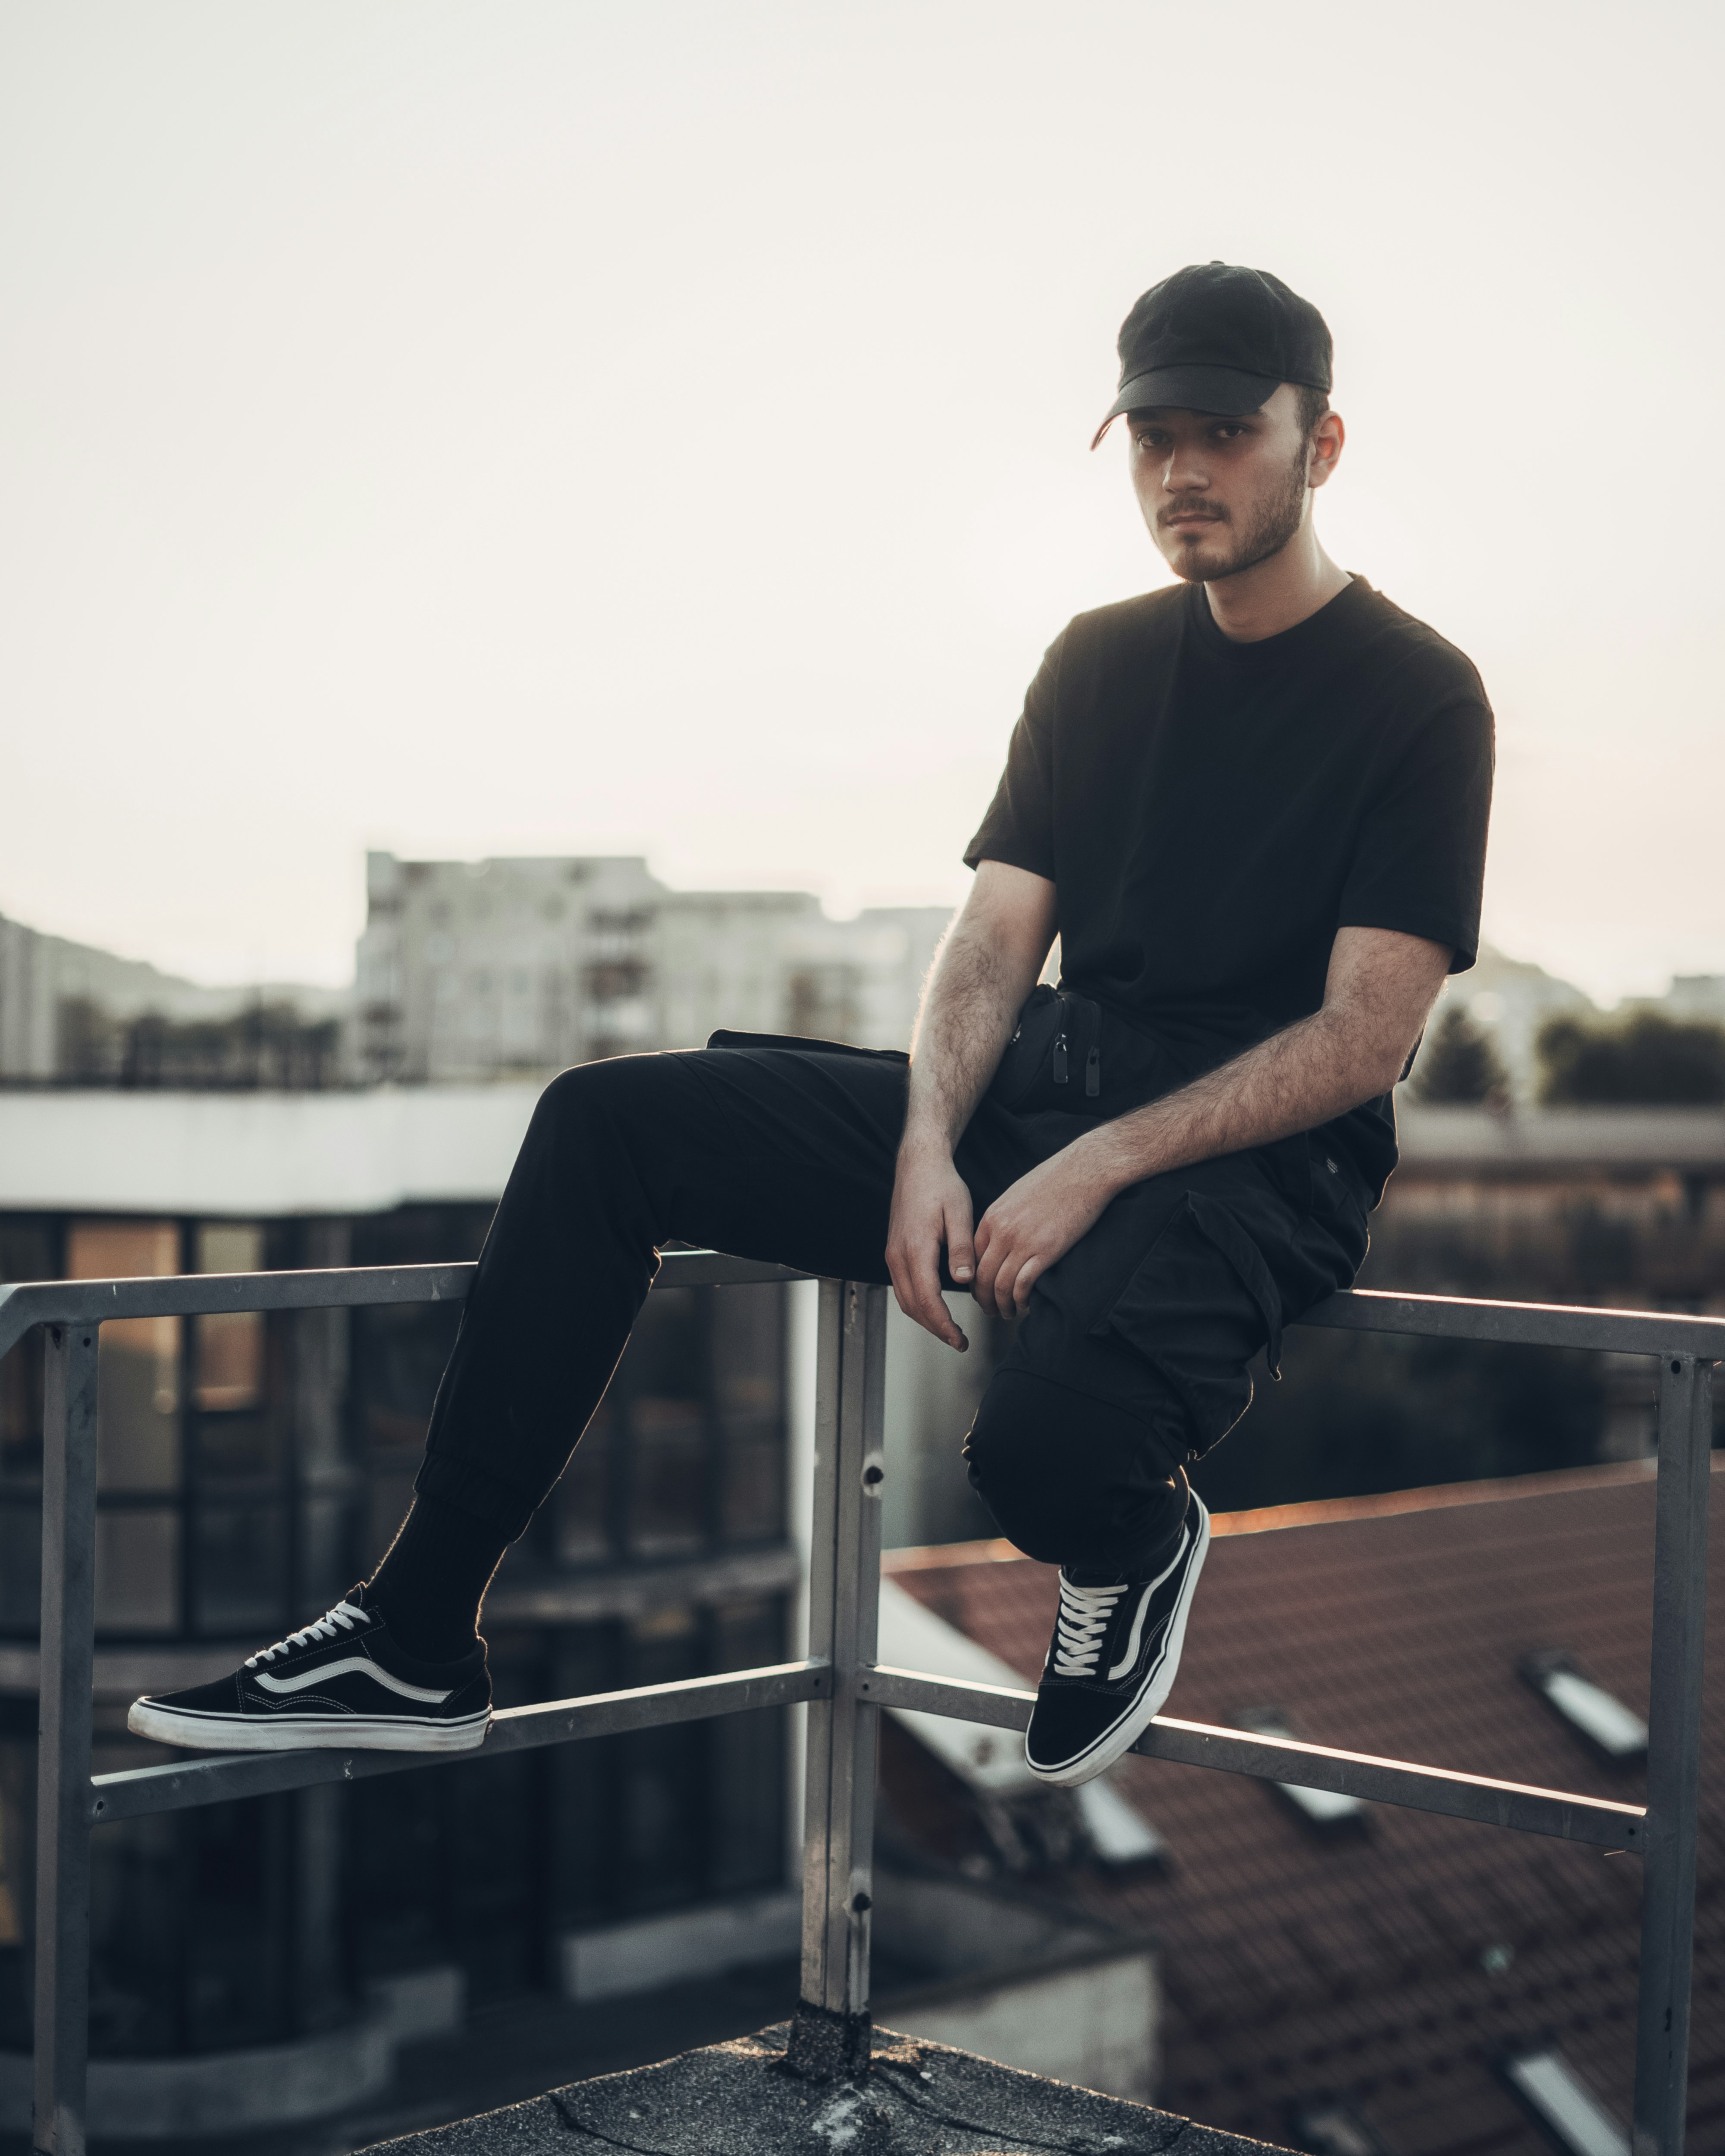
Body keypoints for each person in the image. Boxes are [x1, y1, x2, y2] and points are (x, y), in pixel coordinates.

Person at [130, 263, 1493, 1789]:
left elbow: (1361, 1040)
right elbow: (991, 943)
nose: (1183, 472)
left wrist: (1101, 1164)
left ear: (1322, 446)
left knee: (1037, 1458)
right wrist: (925, 1139)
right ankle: (416, 1633)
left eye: (1227, 434)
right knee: (608, 1128)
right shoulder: (1099, 663)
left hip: (1263, 1166)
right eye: (1152, 436)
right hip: (1046, 1093)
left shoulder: (1420, 698)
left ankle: (1133, 1535)